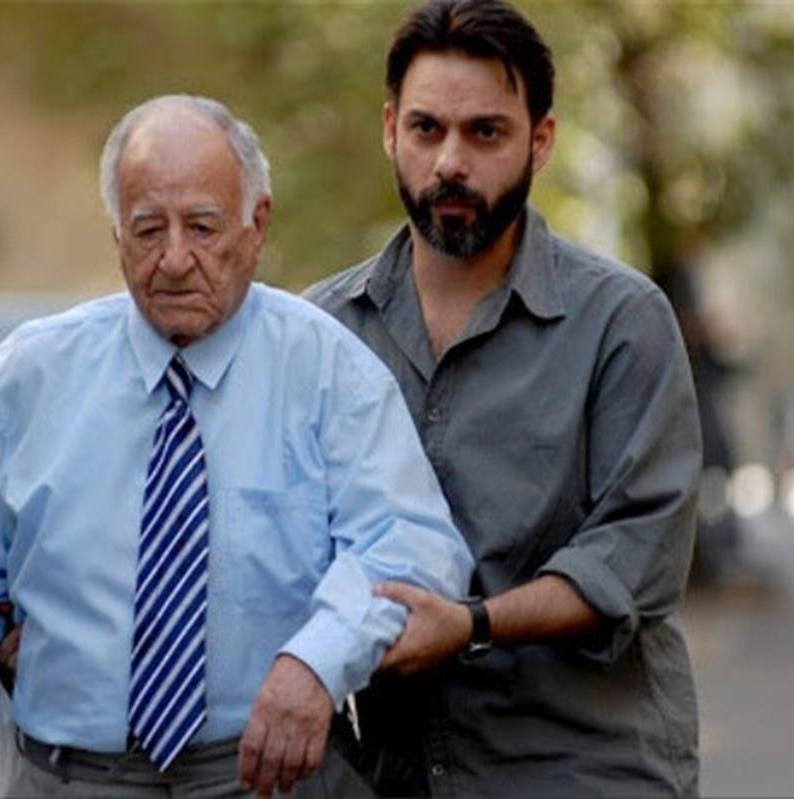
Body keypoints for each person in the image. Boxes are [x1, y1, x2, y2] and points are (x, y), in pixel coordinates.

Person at [0, 94, 474, 799]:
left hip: (267, 776)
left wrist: (317, 660)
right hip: (69, 778)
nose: (174, 260)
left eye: (202, 226)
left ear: (256, 224)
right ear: (117, 234)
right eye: (148, 230)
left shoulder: (328, 371)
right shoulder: (34, 375)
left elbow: (413, 548)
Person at [304, 1, 703, 795]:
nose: (450, 162)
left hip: (579, 763)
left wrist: (471, 624)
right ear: (389, 131)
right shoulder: (322, 331)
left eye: (485, 132)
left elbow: (636, 554)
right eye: (426, 129)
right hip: (387, 771)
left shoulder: (620, 321)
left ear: (540, 141)